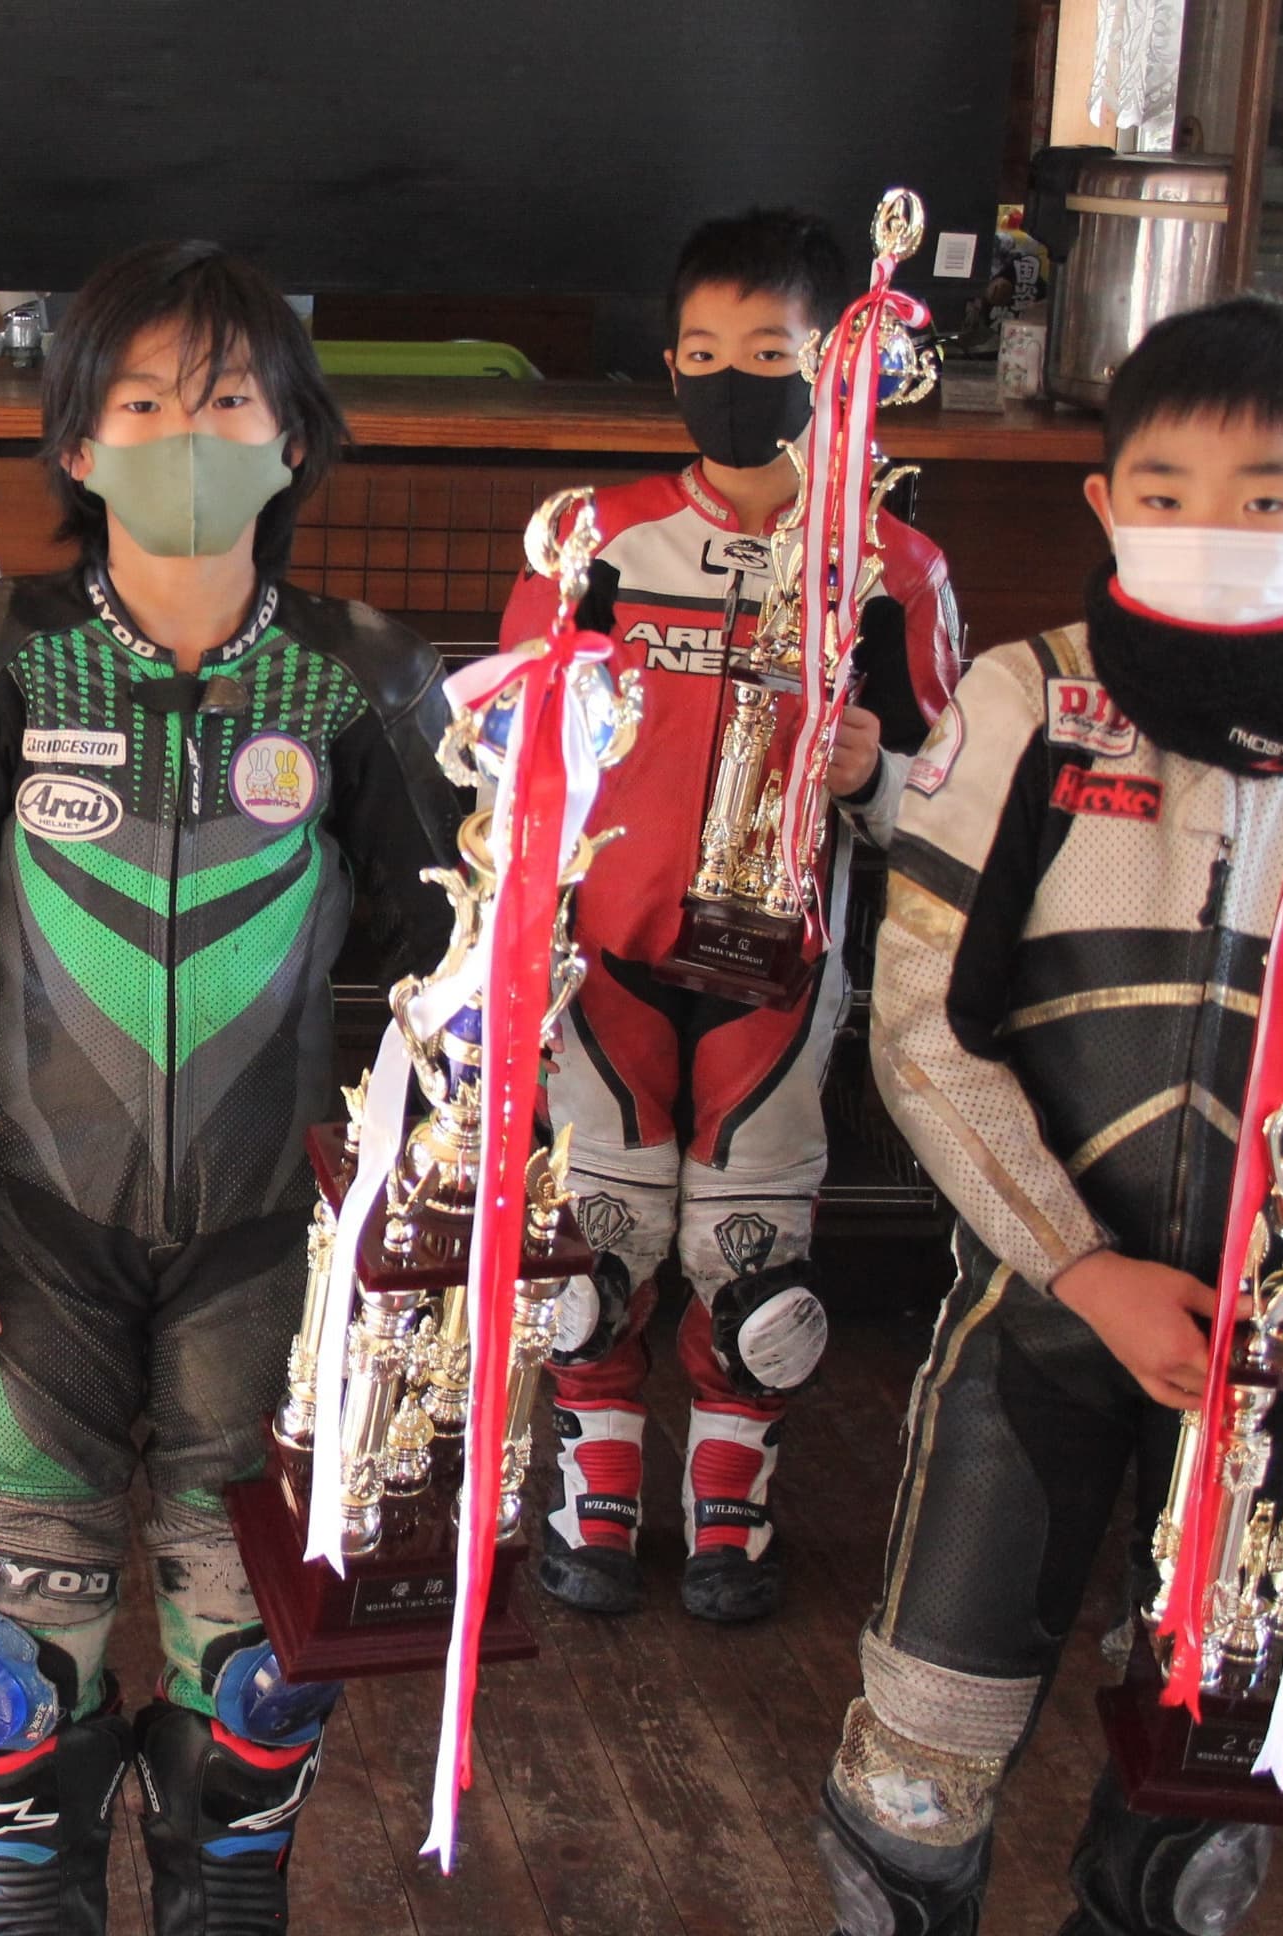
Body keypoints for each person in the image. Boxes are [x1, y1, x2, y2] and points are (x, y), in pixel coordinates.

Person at [818, 298, 1283, 1936]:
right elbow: (921, 1027)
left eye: (1266, 497)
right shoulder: (1027, 704)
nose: (1212, 527)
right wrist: (1083, 1269)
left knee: (1203, 1817)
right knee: (911, 1784)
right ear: (1105, 502)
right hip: (1040, 1325)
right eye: (1167, 490)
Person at [0, 239, 461, 1935]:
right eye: (141, 403)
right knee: (16, 1616)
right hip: (28, 1221)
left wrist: (416, 1222)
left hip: (271, 1231)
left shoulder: (364, 674)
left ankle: (226, 1877)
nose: (187, 435)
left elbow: (442, 965)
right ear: (75, 443)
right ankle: (30, 1879)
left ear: (294, 440)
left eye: (228, 401)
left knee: (253, 1614)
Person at [505, 209, 965, 1626]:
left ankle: (730, 1493)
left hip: (784, 958)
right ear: (669, 364)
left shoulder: (895, 564)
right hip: (607, 944)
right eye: (702, 352)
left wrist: (872, 772)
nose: (730, 378)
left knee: (752, 1241)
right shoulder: (595, 536)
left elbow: (952, 802)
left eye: (769, 352)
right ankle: (594, 1480)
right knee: (598, 1231)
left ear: (837, 366)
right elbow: (512, 745)